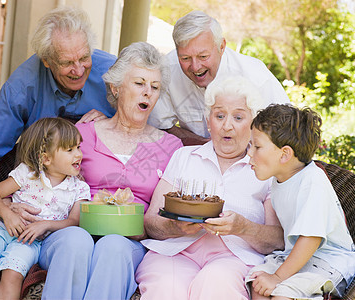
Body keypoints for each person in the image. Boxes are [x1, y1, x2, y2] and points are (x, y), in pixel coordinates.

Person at [0, 6, 116, 300]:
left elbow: (145, 121)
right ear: (46, 60)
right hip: (30, 182)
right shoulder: (24, 84)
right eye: (68, 63)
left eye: (85, 58)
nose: (80, 69)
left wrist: (111, 122)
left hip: (88, 187)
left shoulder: (113, 73)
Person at [136, 76, 284, 299]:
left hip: (234, 258)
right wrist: (176, 228)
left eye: (238, 117)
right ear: (208, 121)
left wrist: (243, 228)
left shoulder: (266, 171)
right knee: (166, 287)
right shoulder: (184, 157)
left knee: (215, 284)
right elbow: (151, 222)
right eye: (220, 115)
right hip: (176, 252)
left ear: (253, 124)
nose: (227, 125)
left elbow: (276, 240)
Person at [75, 41, 183, 300]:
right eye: (139, 83)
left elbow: (166, 212)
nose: (148, 92)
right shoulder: (82, 134)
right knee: (75, 243)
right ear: (116, 87)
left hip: (131, 241)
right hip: (80, 229)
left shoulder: (171, 147)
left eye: (154, 87)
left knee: (113, 246)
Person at [0, 117, 91, 299]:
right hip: (1, 228)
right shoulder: (27, 173)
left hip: (30, 241)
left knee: (12, 274)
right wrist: (6, 213)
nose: (78, 155)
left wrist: (45, 225)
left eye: (78, 147)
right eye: (69, 150)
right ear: (46, 159)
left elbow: (74, 221)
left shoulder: (79, 188)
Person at [246, 104, 355, 299]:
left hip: (329, 261)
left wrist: (278, 277)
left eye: (257, 146)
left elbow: (310, 238)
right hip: (297, 256)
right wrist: (271, 277)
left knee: (283, 293)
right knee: (258, 284)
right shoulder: (279, 179)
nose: (249, 153)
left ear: (285, 154)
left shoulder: (312, 181)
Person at [147, 10, 289, 146]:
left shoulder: (255, 76)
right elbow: (161, 127)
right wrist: (207, 147)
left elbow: (286, 131)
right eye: (185, 58)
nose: (195, 67)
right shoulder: (167, 69)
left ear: (221, 46)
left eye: (203, 56)